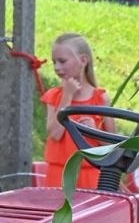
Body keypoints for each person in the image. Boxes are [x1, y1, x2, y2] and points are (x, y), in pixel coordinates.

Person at [42, 32, 108, 189]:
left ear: (83, 60)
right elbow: (55, 134)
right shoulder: (54, 96)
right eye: (54, 62)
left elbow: (111, 143)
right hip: (59, 174)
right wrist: (67, 95)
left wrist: (95, 130)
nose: (57, 67)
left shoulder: (100, 98)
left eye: (62, 61)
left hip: (90, 173)